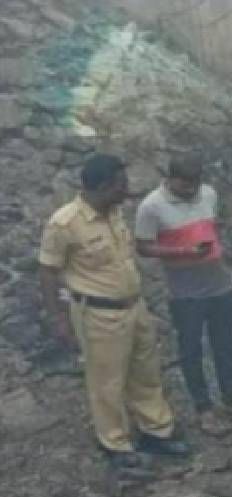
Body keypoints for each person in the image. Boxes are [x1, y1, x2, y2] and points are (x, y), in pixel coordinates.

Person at [38, 153, 191, 475]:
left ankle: (155, 431)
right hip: (98, 315)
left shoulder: (114, 212)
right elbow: (48, 271)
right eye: (121, 185)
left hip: (134, 308)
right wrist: (59, 319)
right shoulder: (65, 223)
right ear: (104, 187)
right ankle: (115, 443)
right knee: (107, 382)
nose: (127, 190)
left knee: (145, 372)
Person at [135, 151, 232, 435]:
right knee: (191, 351)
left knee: (225, 346)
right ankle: (204, 409)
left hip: (219, 285)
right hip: (185, 293)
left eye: (196, 184)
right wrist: (182, 251)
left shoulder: (208, 194)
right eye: (186, 185)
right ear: (170, 179)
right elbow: (143, 246)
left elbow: (214, 225)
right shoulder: (151, 207)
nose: (191, 190)